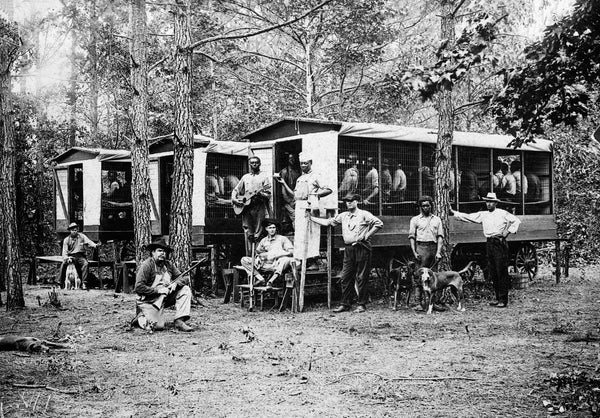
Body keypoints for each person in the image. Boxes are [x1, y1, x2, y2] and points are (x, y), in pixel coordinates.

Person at [310, 194, 383, 313]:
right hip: (349, 249)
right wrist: (312, 218)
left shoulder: (364, 214)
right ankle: (345, 304)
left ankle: (361, 304)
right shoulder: (343, 216)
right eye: (346, 201)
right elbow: (329, 222)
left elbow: (379, 224)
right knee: (346, 277)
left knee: (361, 277)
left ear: (357, 202)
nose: (348, 203)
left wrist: (366, 236)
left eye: (351, 201)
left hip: (362, 248)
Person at [450, 192, 521, 308]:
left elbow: (516, 221)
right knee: (492, 271)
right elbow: (469, 217)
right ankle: (498, 298)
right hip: (489, 243)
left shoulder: (502, 213)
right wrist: (454, 213)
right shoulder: (483, 214)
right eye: (487, 202)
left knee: (501, 271)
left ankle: (503, 299)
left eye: (491, 202)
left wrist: (507, 232)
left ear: (496, 203)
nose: (489, 204)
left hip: (499, 243)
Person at [133, 239, 194, 332]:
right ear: (153, 252)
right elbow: (138, 287)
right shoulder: (147, 265)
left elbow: (184, 278)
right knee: (158, 326)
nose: (163, 253)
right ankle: (140, 317)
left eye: (164, 251)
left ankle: (179, 320)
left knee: (185, 289)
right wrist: (158, 290)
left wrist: (176, 283)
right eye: (159, 251)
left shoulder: (168, 265)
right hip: (148, 300)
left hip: (164, 298)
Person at [292, 152, 332, 268]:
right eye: (301, 163)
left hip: (311, 206)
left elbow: (328, 189)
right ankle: (300, 259)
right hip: (300, 207)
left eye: (305, 163)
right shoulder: (300, 178)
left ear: (311, 163)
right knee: (300, 233)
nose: (303, 165)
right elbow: (296, 194)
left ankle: (312, 260)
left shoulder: (316, 176)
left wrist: (316, 195)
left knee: (311, 233)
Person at [408, 196, 444, 310]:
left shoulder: (437, 219)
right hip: (421, 248)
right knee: (419, 276)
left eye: (428, 205)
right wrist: (414, 252)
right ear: (420, 207)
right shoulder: (415, 220)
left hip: (433, 248)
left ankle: (434, 303)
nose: (426, 207)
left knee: (433, 276)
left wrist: (438, 252)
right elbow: (412, 237)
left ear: (431, 206)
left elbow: (440, 237)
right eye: (423, 205)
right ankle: (419, 303)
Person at [231, 156, 273, 255]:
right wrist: (235, 199)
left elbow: (268, 194)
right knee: (248, 233)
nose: (254, 165)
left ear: (260, 164)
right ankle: (249, 257)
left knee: (259, 232)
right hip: (246, 208)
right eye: (252, 163)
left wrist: (260, 194)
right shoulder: (245, 177)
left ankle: (258, 257)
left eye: (256, 163)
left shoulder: (264, 177)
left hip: (259, 206)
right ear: (249, 164)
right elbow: (236, 190)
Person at [240, 218, 295, 287]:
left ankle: (271, 281)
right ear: (266, 229)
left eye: (274, 228)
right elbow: (258, 253)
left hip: (276, 264)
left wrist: (278, 254)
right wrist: (258, 258)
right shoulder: (264, 240)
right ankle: (260, 279)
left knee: (286, 260)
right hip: (265, 264)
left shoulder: (282, 239)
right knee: (244, 260)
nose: (272, 230)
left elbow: (291, 252)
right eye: (270, 228)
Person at [59, 222, 98, 290]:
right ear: (70, 231)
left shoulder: (81, 236)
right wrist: (66, 258)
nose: (75, 231)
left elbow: (89, 242)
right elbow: (64, 252)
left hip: (80, 256)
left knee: (85, 263)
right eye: (73, 230)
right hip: (71, 256)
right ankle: (59, 283)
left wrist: (95, 245)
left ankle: (84, 283)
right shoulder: (66, 240)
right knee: (63, 264)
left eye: (76, 230)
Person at [276, 153, 301, 230]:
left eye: (293, 158)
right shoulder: (284, 172)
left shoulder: (297, 171)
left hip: (296, 199)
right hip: (289, 201)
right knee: (293, 218)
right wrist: (290, 201)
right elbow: (283, 189)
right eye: (290, 158)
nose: (292, 160)